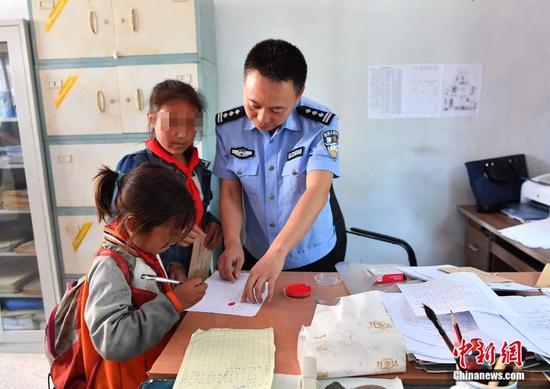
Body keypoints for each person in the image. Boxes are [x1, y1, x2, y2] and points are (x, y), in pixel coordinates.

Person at [214, 39, 341, 303]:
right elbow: (230, 191)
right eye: (253, 105)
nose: (262, 118)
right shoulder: (228, 128)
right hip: (255, 248)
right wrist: (232, 242)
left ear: (298, 95)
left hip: (312, 253)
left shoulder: (321, 124)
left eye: (276, 110)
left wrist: (276, 254)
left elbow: (317, 190)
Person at [82, 163, 207, 388]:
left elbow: (143, 285)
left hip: (156, 363)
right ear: (133, 224)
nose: (169, 247)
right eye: (167, 240)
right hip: (135, 380)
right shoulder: (109, 266)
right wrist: (174, 302)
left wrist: (170, 279)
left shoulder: (139, 243)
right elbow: (112, 340)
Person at [117, 80, 223, 280]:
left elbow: (198, 209)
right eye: (171, 123)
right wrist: (173, 231)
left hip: (195, 268)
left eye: (191, 124)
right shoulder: (136, 167)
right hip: (156, 274)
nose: (182, 133)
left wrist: (211, 223)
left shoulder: (199, 168)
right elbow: (121, 226)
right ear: (151, 119)